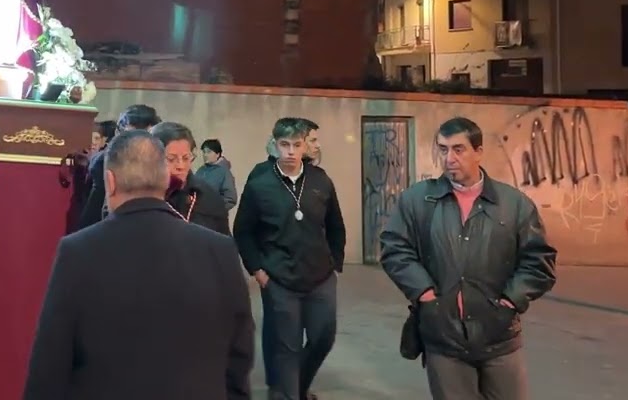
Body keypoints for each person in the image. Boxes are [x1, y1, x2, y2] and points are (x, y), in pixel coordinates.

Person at [23, 130, 254, 400]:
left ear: (110, 182)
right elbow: (240, 354)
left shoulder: (79, 251)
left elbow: (51, 362)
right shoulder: (219, 249)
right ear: (167, 180)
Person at [379, 117, 557, 400]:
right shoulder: (416, 201)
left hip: (499, 336)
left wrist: (510, 301)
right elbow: (394, 249)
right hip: (442, 335)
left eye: (458, 149)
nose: (449, 158)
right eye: (443, 149)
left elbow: (539, 260)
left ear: (478, 151)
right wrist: (425, 294)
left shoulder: (513, 204)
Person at [234, 117, 346, 400]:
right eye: (285, 145)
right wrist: (257, 269)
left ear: (304, 147)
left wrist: (336, 263)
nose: (291, 152)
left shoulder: (320, 180)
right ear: (275, 145)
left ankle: (297, 386)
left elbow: (335, 225)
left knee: (323, 337)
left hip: (320, 277)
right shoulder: (260, 183)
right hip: (279, 278)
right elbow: (243, 230)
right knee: (287, 346)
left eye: (297, 145)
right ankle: (287, 393)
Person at [77, 104, 161, 230]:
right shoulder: (102, 163)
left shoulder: (159, 163)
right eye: (131, 136)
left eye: (145, 137)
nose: (139, 145)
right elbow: (91, 215)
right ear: (118, 133)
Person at [151, 121, 229, 234]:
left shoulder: (208, 195)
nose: (180, 166)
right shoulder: (143, 195)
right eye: (171, 159)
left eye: (186, 158)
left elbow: (223, 243)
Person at [196, 138, 238, 211]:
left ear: (218, 154)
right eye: (204, 152)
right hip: (197, 216)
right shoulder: (200, 170)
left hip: (214, 218)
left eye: (209, 152)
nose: (205, 155)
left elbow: (231, 199)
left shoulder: (224, 172)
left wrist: (213, 209)